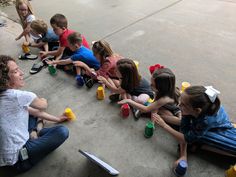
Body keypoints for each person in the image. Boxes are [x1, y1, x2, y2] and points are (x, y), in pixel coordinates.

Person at [0, 55, 69, 172]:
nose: (21, 73)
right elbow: (43, 106)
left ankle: (34, 132)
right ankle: (36, 132)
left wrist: (57, 119)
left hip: (4, 159)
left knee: (30, 112)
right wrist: (43, 100)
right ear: (5, 79)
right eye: (15, 71)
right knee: (62, 131)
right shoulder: (19, 96)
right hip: (19, 160)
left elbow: (33, 111)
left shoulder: (5, 95)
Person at [152, 85, 236, 170]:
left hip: (219, 129)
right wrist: (183, 155)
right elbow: (184, 126)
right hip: (202, 120)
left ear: (197, 110)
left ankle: (198, 146)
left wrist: (164, 126)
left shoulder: (205, 121)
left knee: (205, 140)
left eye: (183, 104)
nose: (178, 105)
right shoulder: (193, 103)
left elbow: (186, 138)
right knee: (183, 124)